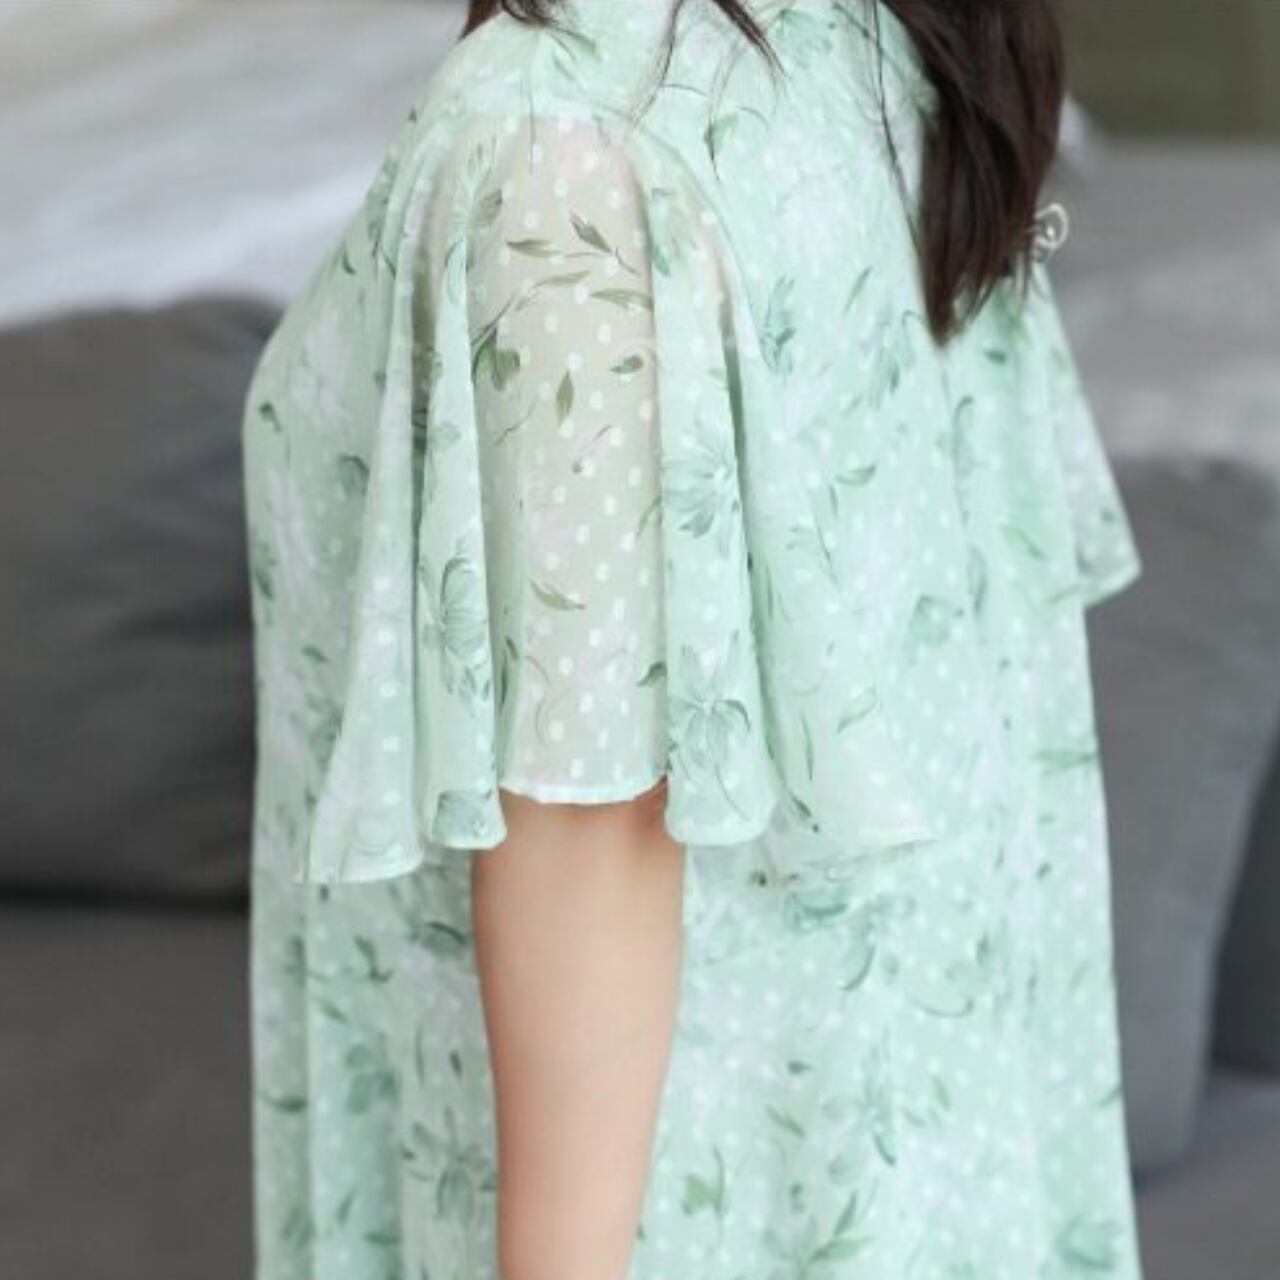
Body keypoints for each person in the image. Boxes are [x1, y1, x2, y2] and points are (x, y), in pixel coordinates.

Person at [242, 1, 1147, 1278]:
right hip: (922, 1154)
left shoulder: (565, 158)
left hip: (672, 1206)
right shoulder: (880, 36)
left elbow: (589, 832)